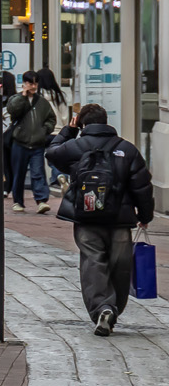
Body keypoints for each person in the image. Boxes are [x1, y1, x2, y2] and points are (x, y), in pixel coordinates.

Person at [47, 104, 156, 336]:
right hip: (120, 218)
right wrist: (145, 216)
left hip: (86, 219)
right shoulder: (127, 149)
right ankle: (113, 307)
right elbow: (142, 186)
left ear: (82, 123)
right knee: (120, 265)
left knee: (93, 262)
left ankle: (102, 307)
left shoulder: (76, 146)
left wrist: (68, 130)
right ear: (106, 121)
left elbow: (52, 152)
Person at [5, 72, 59, 213]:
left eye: (35, 83)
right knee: (19, 173)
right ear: (24, 83)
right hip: (19, 143)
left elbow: (51, 118)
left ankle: (41, 200)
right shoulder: (16, 98)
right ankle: (18, 201)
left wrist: (45, 130)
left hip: (37, 144)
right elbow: (13, 111)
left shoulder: (42, 102)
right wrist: (23, 96)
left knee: (38, 172)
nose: (33, 86)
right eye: (30, 83)